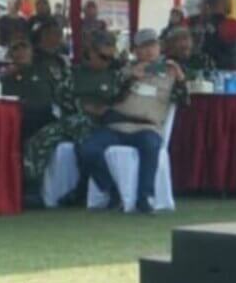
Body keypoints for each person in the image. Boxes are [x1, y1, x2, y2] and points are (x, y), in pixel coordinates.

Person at [79, 28, 188, 214]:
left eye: (152, 45)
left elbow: (184, 101)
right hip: (118, 125)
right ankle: (111, 191)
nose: (149, 51)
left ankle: (144, 197)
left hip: (147, 126)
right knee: (86, 149)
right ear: (135, 51)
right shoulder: (124, 71)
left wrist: (180, 78)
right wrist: (129, 78)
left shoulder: (169, 72)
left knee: (151, 145)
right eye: (143, 47)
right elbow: (110, 96)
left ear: (159, 47)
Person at [22, 29, 127, 207]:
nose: (108, 62)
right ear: (90, 53)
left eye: (111, 58)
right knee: (40, 138)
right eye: (103, 57)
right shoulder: (73, 74)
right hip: (73, 121)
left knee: (79, 137)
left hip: (101, 125)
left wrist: (103, 109)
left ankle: (83, 188)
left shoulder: (116, 77)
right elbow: (61, 97)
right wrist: (82, 107)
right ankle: (33, 189)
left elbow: (122, 104)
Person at [200, 0, 236, 71]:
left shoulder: (201, 24)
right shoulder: (232, 25)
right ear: (221, 2)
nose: (230, 3)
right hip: (230, 74)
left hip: (208, 70)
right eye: (228, 0)